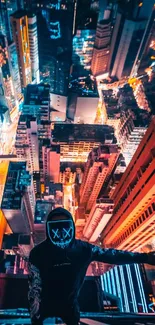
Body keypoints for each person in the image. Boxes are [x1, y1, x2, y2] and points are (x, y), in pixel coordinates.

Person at [28, 207, 155, 325]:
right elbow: (34, 286)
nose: (61, 232)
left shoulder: (83, 249)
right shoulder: (39, 253)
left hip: (69, 307)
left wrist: (145, 257)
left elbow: (113, 255)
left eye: (64, 225)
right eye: (56, 226)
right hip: (44, 307)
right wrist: (35, 311)